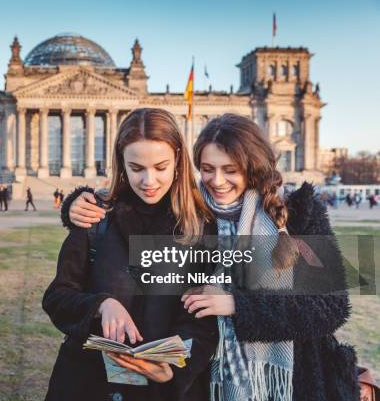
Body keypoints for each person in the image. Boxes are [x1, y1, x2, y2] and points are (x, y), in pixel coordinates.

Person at [63, 113, 358, 401]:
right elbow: (132, 205)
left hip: (292, 375)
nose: (217, 181)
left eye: (230, 170)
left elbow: (330, 307)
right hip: (208, 376)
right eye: (207, 168)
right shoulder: (191, 208)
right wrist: (76, 204)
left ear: (253, 166)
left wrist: (237, 305)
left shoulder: (299, 212)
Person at [43, 108, 218, 401]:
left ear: (178, 160)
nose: (149, 181)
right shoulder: (96, 215)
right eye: (136, 168)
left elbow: (203, 317)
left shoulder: (201, 224)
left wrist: (176, 367)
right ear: (121, 164)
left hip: (164, 391)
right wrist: (100, 304)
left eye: (160, 167)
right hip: (87, 385)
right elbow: (57, 296)